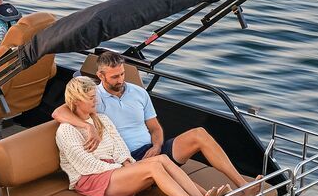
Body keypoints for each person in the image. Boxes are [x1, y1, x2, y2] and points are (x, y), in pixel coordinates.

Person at [63, 50, 253, 188]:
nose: (120, 80)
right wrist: (89, 128)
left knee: (199, 134)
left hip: (153, 150)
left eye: (122, 74)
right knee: (162, 164)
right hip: (127, 159)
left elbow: (155, 129)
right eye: (114, 77)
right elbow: (59, 112)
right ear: (100, 75)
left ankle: (243, 185)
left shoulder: (139, 93)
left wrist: (156, 146)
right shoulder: (94, 97)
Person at [53, 77, 223, 196]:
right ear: (76, 102)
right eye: (90, 98)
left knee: (163, 158)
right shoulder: (66, 131)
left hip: (114, 172)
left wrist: (128, 163)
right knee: (153, 167)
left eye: (95, 97)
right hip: (91, 180)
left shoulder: (102, 119)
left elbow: (120, 147)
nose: (96, 101)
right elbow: (85, 165)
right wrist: (124, 169)